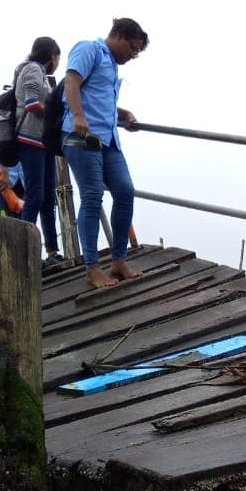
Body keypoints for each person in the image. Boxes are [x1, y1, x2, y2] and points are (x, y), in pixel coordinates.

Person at [62, 17, 148, 289]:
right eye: (133, 48)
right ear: (120, 36)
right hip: (82, 137)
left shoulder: (111, 64)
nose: (133, 56)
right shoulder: (89, 49)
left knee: (125, 191)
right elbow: (71, 82)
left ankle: (118, 259)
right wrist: (78, 115)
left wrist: (124, 114)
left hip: (109, 140)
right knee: (92, 196)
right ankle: (92, 268)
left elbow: (100, 97)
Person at [9, 36, 64, 268]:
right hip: (30, 140)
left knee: (48, 199)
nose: (58, 62)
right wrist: (57, 117)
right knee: (36, 196)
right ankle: (24, 252)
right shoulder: (32, 70)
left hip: (43, 141)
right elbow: (32, 104)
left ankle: (52, 250)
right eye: (57, 57)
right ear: (51, 55)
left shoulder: (40, 72)